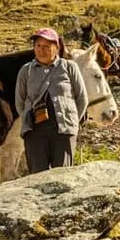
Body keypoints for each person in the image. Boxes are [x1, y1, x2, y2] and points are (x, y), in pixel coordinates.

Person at [15, 27, 89, 172]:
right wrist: (27, 120)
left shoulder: (69, 67)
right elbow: (20, 101)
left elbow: (82, 99)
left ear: (57, 47)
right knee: (37, 177)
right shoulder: (26, 70)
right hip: (35, 133)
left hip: (63, 132)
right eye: (38, 46)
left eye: (46, 46)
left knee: (62, 177)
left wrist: (72, 122)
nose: (41, 50)